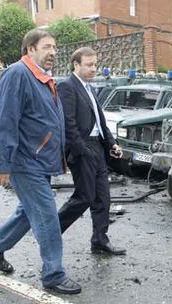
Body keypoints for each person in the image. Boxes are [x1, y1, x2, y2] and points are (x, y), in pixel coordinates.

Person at [0, 29, 81, 294]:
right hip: (25, 162)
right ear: (30, 49)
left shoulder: (43, 78)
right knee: (46, 216)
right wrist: (1, 163)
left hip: (40, 160)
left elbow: (45, 121)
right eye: (47, 47)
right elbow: (4, 121)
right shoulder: (17, 74)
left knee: (26, 213)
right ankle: (53, 274)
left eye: (55, 47)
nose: (53, 52)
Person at [57, 47, 126, 256]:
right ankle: (50, 233)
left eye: (95, 64)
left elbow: (100, 121)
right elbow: (68, 124)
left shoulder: (90, 88)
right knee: (84, 197)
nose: (93, 68)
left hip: (98, 147)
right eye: (88, 65)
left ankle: (99, 240)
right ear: (75, 65)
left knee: (102, 198)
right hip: (83, 148)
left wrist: (111, 143)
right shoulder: (67, 86)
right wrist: (81, 150)